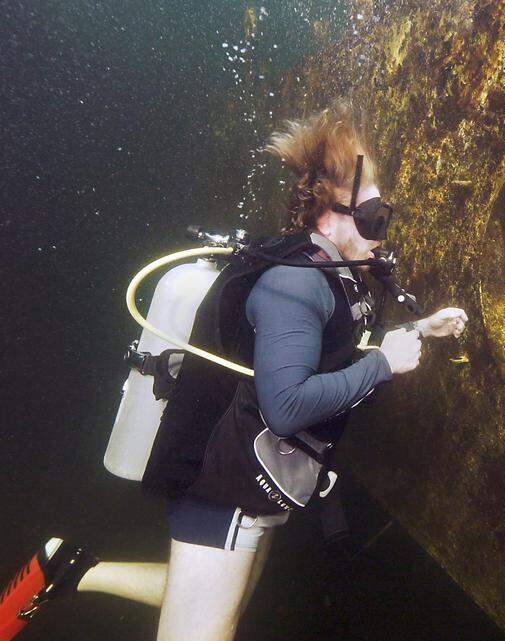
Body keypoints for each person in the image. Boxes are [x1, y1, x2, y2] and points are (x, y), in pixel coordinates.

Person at [0, 100, 467, 641]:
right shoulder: (296, 282)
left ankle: (69, 568)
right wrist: (384, 363)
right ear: (330, 211)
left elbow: (337, 353)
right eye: (374, 218)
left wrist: (417, 333)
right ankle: (69, 569)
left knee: (220, 601)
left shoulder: (331, 274)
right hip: (224, 492)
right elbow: (286, 405)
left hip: (261, 484)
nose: (381, 235)